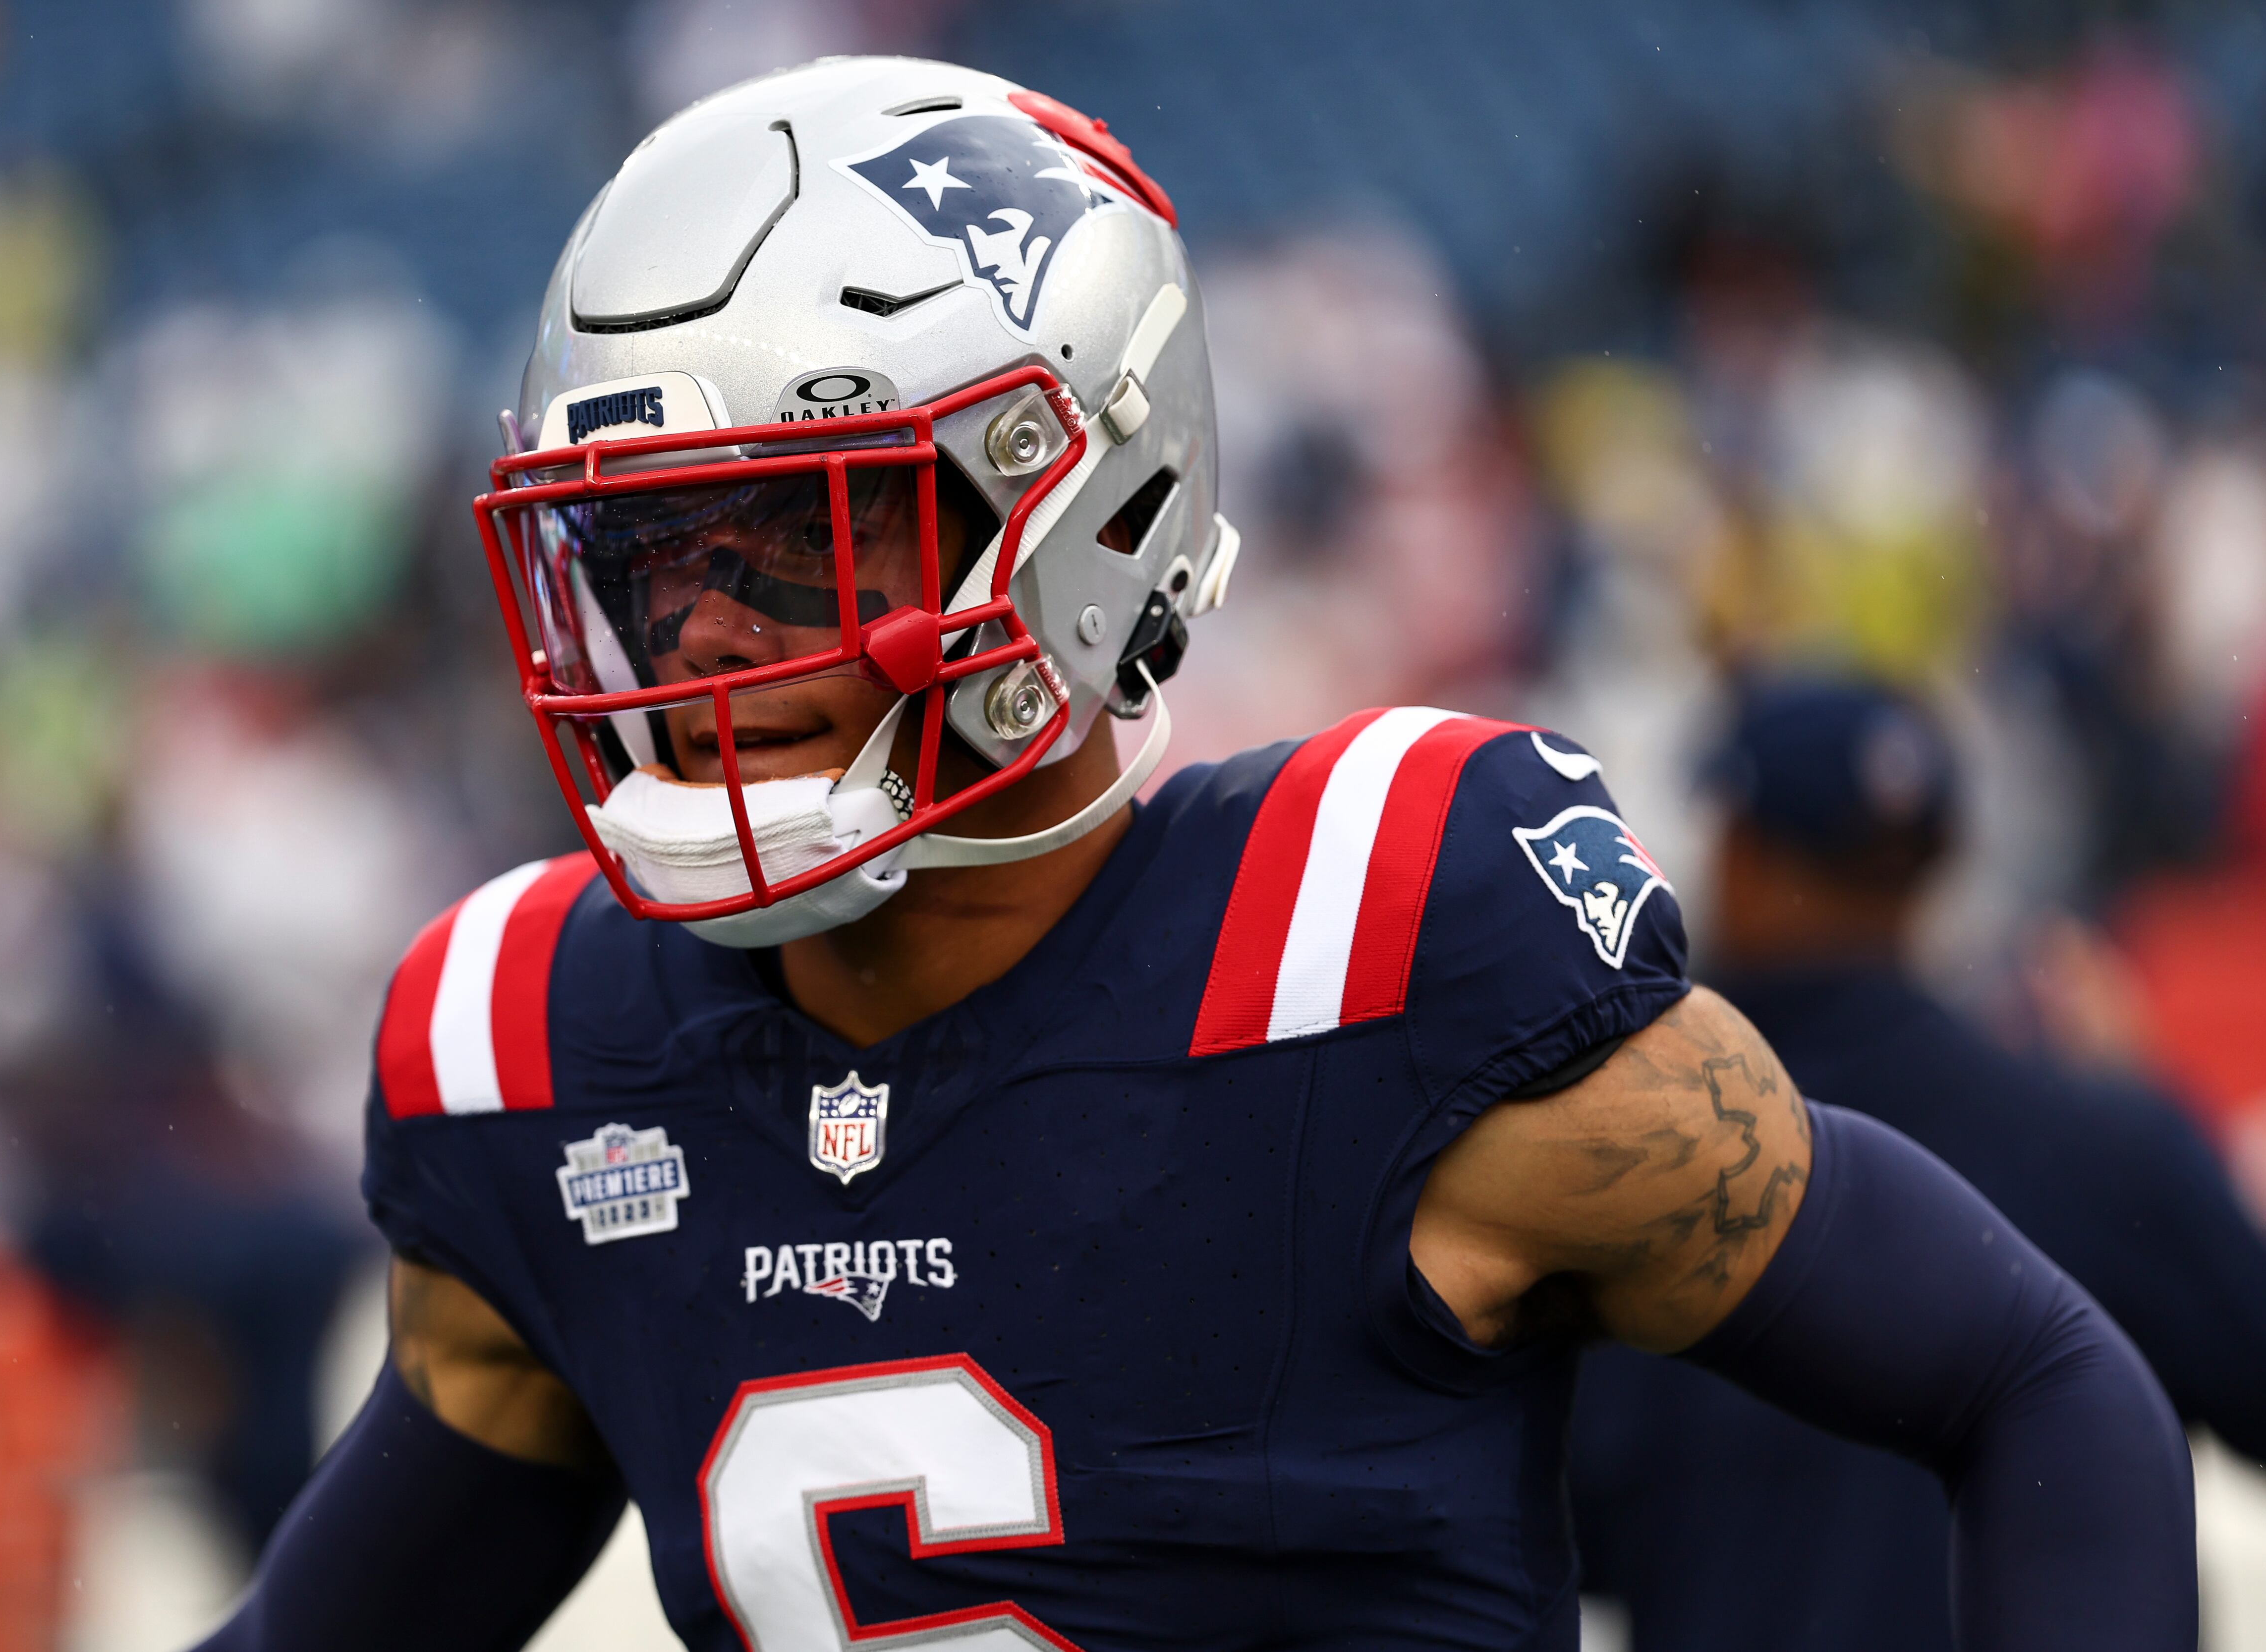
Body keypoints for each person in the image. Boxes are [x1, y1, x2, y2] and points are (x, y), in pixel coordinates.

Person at [197, 59, 2193, 1652]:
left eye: (798, 536)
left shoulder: (1372, 944)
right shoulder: (541, 1060)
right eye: (651, 557)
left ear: (1080, 513)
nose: (709, 634)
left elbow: (2032, 1378)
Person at [1571, 676, 2266, 1652]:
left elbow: (1557, 1528)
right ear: (1935, 866)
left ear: (1736, 851)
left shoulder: (1609, 1168)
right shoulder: (2104, 1138)